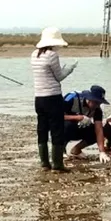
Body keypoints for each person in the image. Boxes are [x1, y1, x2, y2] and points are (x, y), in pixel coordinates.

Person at [31, 27, 77, 172]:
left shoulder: (34, 55)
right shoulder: (52, 55)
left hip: (39, 97)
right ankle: (57, 165)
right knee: (57, 129)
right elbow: (59, 77)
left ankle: (45, 163)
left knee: (42, 129)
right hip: (53, 97)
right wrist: (69, 69)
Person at [63, 85, 111, 163]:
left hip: (78, 127)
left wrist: (102, 152)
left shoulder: (97, 110)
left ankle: (76, 150)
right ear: (89, 98)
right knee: (68, 125)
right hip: (63, 126)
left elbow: (99, 130)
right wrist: (77, 117)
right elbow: (55, 116)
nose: (97, 105)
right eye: (95, 102)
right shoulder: (72, 98)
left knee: (99, 131)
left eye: (99, 103)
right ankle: (61, 150)